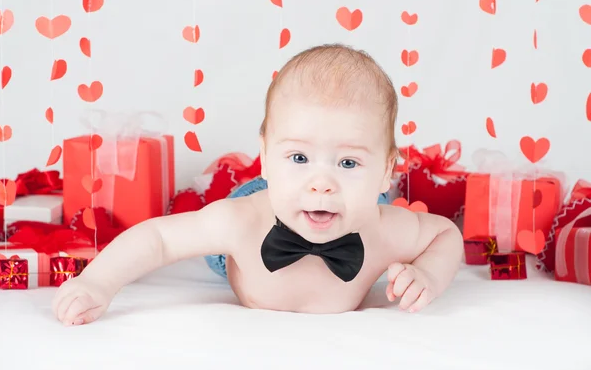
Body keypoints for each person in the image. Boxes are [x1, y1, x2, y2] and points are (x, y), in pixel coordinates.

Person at [52, 44, 463, 325]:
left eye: (348, 162)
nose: (322, 184)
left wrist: (428, 272)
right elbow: (159, 238)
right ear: (265, 157)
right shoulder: (238, 224)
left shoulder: (385, 229)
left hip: (334, 203)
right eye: (299, 157)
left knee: (332, 192)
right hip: (261, 210)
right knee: (212, 231)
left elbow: (445, 234)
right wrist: (98, 281)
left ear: (388, 169)